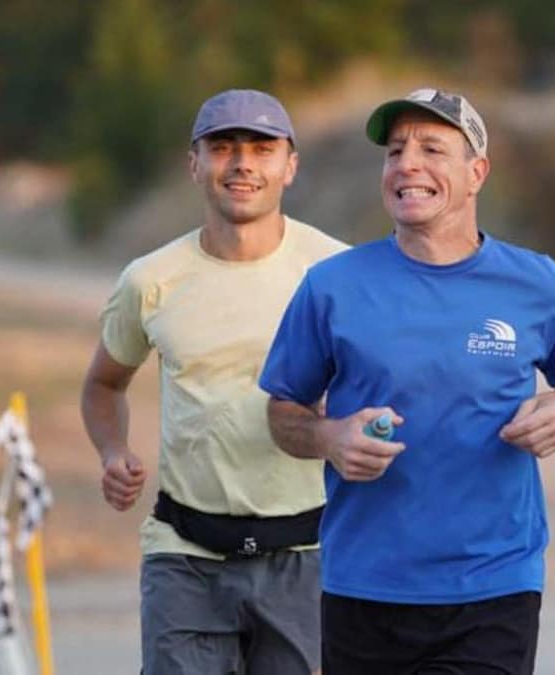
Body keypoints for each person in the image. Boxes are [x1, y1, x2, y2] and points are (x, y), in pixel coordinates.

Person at [259, 88, 555, 674]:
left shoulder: (536, 283)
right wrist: (330, 438)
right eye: (395, 151)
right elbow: (282, 411)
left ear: (477, 173)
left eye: (432, 148)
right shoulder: (331, 287)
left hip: (493, 585)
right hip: (363, 587)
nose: (407, 165)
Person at [80, 89, 347, 675]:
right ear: (194, 164)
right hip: (186, 556)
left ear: (290, 165)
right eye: (223, 147)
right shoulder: (150, 280)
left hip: (308, 557)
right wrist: (112, 450)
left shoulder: (337, 273)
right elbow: (104, 383)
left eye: (261, 148)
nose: (243, 163)